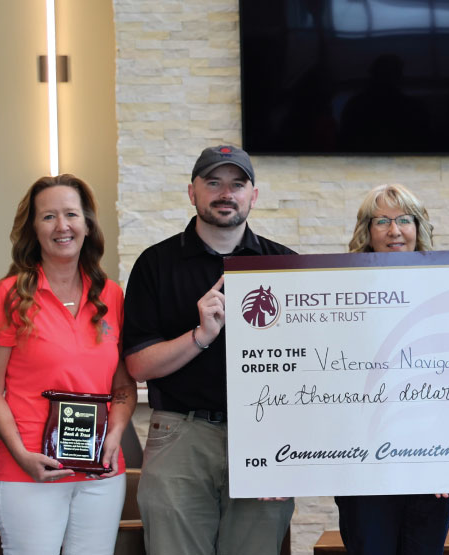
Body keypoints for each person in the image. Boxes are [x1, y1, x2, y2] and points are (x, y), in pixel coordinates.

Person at [122, 145, 295, 554]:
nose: (225, 193)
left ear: (254, 195)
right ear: (192, 191)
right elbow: (138, 364)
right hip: (182, 433)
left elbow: (306, 369)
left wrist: (289, 457)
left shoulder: (285, 264)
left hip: (264, 438)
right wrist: (200, 335)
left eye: (237, 184)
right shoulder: (156, 263)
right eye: (213, 182)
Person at [0, 175, 137, 554]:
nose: (62, 226)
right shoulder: (8, 295)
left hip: (101, 472)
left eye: (71, 215)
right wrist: (20, 454)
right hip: (30, 471)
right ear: (33, 228)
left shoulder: (111, 295)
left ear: (87, 224)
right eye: (48, 217)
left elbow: (124, 386)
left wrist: (114, 435)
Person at [334, 183, 449, 554]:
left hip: (432, 464)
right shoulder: (338, 291)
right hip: (364, 463)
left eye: (404, 220)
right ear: (365, 231)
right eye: (382, 221)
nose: (394, 230)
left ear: (418, 227)